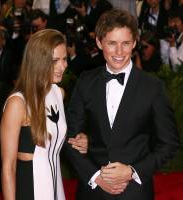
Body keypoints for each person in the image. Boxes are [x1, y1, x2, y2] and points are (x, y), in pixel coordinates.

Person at [64, 8, 180, 200]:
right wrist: (96, 176)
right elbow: (68, 137)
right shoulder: (86, 81)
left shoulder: (153, 87)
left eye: (126, 43)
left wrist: (132, 171)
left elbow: (169, 144)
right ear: (100, 43)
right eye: (112, 43)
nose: (119, 52)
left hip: (135, 193)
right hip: (92, 192)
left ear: (134, 42)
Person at [0, 29, 88, 200]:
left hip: (55, 185)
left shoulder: (58, 92)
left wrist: (79, 140)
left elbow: (55, 138)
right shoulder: (18, 103)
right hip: (30, 188)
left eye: (64, 59)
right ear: (38, 61)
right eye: (55, 60)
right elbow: (8, 167)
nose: (64, 66)